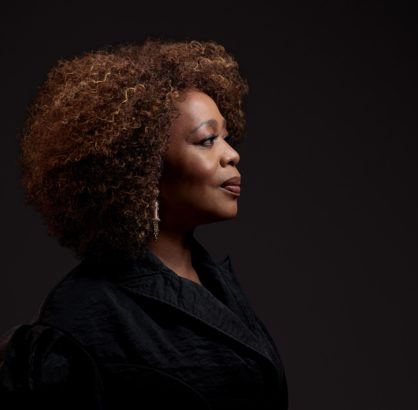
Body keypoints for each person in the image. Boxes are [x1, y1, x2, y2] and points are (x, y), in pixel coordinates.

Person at [0, 38, 287, 409]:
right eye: (207, 140)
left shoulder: (216, 284)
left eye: (227, 138)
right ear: (143, 167)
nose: (231, 154)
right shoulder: (77, 319)